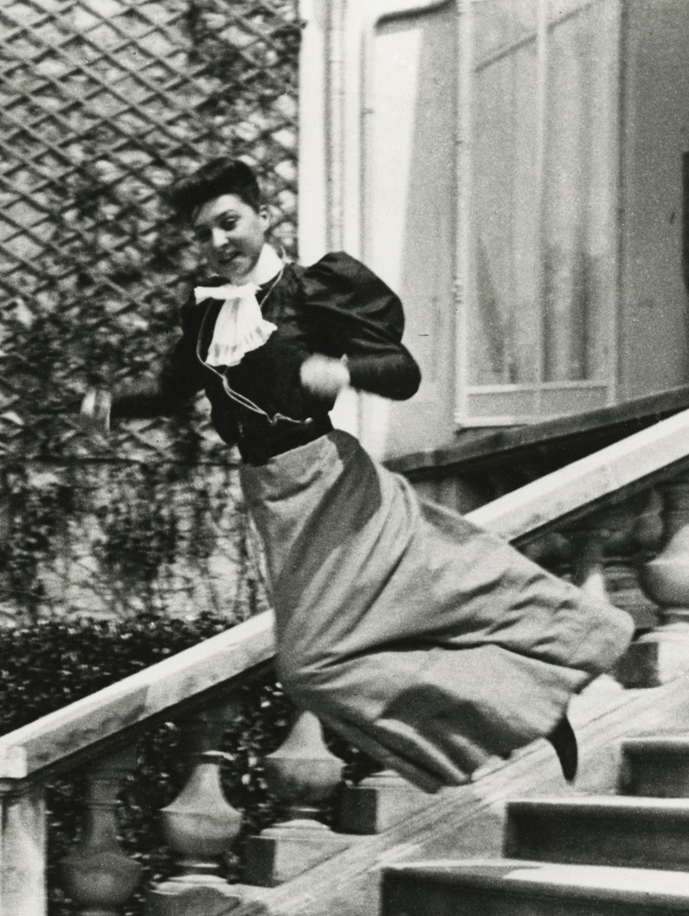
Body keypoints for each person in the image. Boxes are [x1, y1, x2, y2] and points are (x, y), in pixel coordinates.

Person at [79, 157, 634, 789]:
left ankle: (531, 695)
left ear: (263, 217)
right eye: (202, 233)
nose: (217, 243)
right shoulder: (207, 315)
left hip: (328, 481)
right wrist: (112, 403)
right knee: (334, 659)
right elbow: (174, 389)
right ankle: (521, 707)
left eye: (228, 223)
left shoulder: (315, 290)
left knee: (322, 660)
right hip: (271, 497)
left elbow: (403, 372)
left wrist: (344, 372)